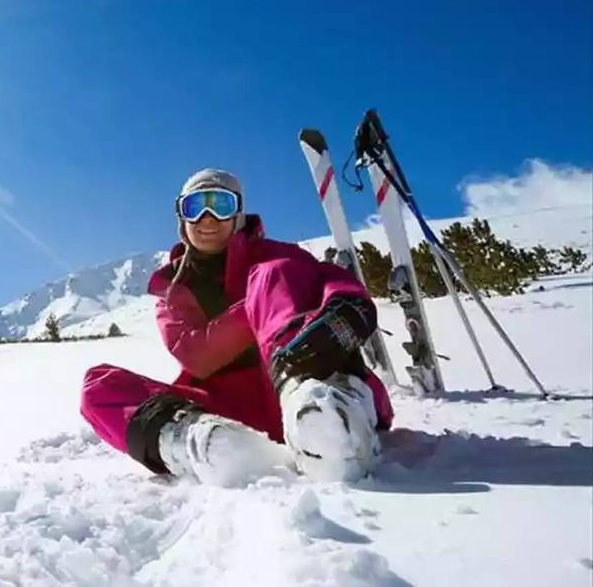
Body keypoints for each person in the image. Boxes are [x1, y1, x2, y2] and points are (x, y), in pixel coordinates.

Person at [80, 169, 395, 483]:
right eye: (195, 207)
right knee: (98, 388)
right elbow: (195, 355)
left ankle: (327, 418)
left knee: (272, 273)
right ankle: (204, 442)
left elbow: (331, 280)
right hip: (229, 411)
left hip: (305, 379)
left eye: (220, 205)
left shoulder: (277, 258)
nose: (207, 219)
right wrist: (254, 307)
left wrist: (346, 305)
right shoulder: (173, 288)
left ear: (239, 214)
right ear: (181, 217)